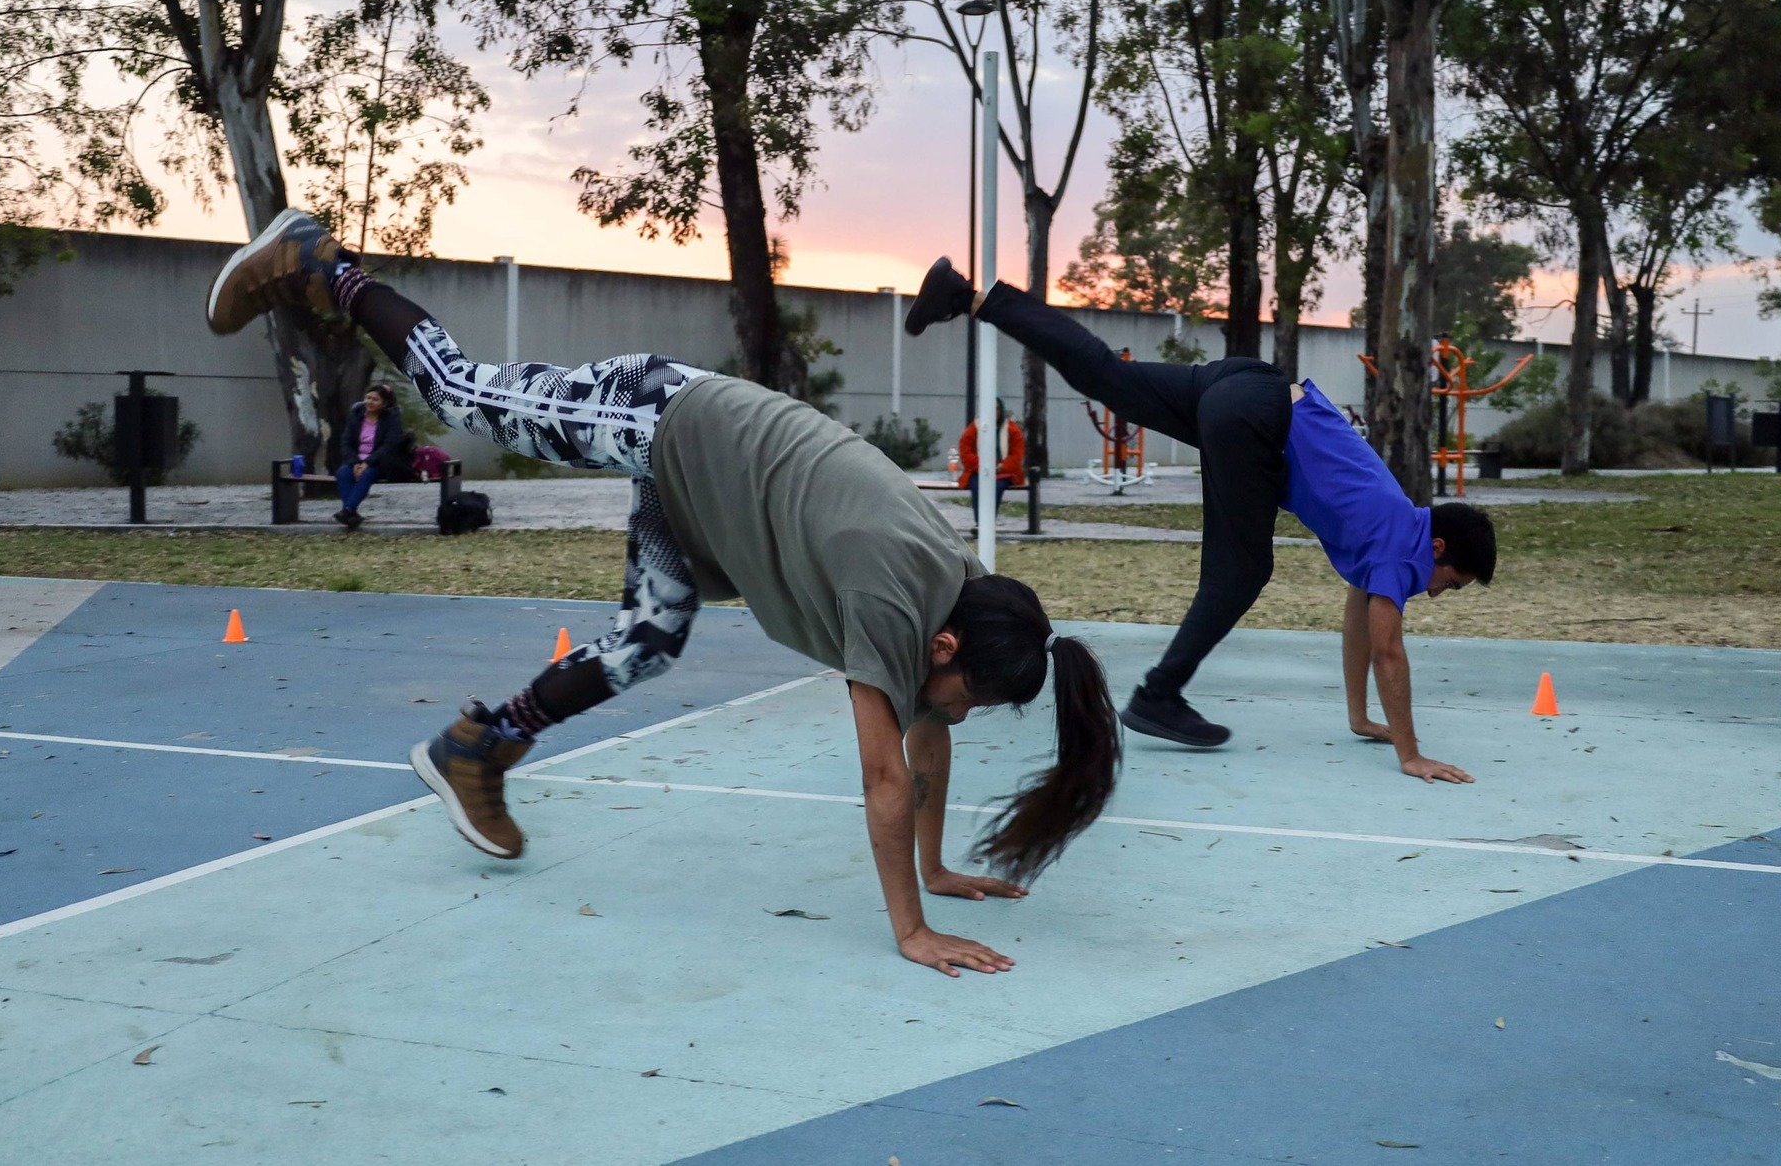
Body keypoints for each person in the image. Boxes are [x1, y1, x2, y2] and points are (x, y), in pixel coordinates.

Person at [204, 210, 1124, 977]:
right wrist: (912, 930)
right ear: (946, 648)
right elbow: (889, 775)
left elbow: (928, 735)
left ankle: (476, 748)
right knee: (457, 394)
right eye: (963, 700)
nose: (951, 716)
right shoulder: (893, 599)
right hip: (657, 413)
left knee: (648, 639)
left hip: (694, 488)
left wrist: (937, 867)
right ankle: (325, 262)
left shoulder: (966, 598)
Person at [905, 258, 1495, 783]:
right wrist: (1411, 754)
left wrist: (1360, 717)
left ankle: (969, 297)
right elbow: (1388, 651)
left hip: (1243, 385)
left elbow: (1360, 618)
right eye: (1450, 583)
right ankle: (1158, 694)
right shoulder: (1402, 545)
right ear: (1439, 547)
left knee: (1107, 376)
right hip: (1258, 419)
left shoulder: (1394, 522)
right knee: (1241, 573)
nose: (1436, 593)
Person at [333, 382, 411, 529]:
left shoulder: (392, 419)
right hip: (356, 460)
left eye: (375, 399)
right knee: (342, 473)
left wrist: (368, 462)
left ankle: (348, 510)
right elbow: (345, 442)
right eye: (368, 398)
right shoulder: (356, 416)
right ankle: (350, 513)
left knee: (366, 474)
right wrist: (355, 462)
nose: (370, 402)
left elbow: (389, 446)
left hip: (380, 461)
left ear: (384, 403)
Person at [957, 400, 1025, 512]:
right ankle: (980, 520)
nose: (994, 412)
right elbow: (965, 452)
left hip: (1004, 471)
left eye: (997, 409)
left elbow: (1017, 454)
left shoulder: (1012, 429)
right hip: (977, 470)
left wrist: (1002, 466)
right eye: (991, 409)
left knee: (996, 486)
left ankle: (988, 519)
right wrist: (982, 466)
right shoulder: (974, 428)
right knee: (977, 485)